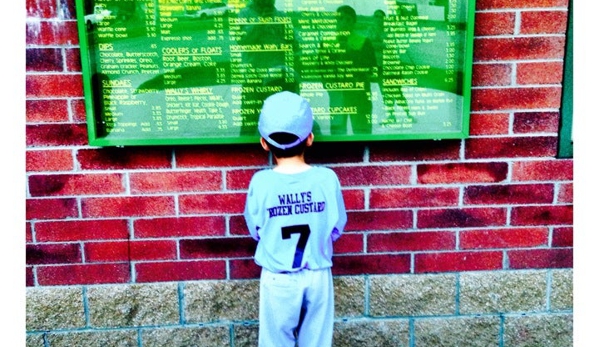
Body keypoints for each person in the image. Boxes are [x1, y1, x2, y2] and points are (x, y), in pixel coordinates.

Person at [244, 91, 347, 347]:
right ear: (310, 138)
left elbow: (256, 230)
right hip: (318, 274)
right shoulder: (327, 179)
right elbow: (336, 227)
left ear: (264, 143)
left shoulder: (261, 182)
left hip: (278, 276)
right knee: (317, 342)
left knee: (275, 342)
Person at [236, 0, 299, 136]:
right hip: (254, 77)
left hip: (278, 79)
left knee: (280, 121)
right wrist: (261, 21)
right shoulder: (244, 14)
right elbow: (242, 40)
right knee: (249, 121)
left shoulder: (281, 16)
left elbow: (296, 43)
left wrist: (285, 31)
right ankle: (245, 154)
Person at [319, 5, 377, 135]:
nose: (344, 22)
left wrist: (351, 53)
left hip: (359, 93)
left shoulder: (363, 42)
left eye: (348, 19)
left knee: (362, 129)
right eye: (341, 19)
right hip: (338, 92)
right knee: (338, 130)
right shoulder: (327, 42)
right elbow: (322, 67)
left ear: (354, 22)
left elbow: (371, 67)